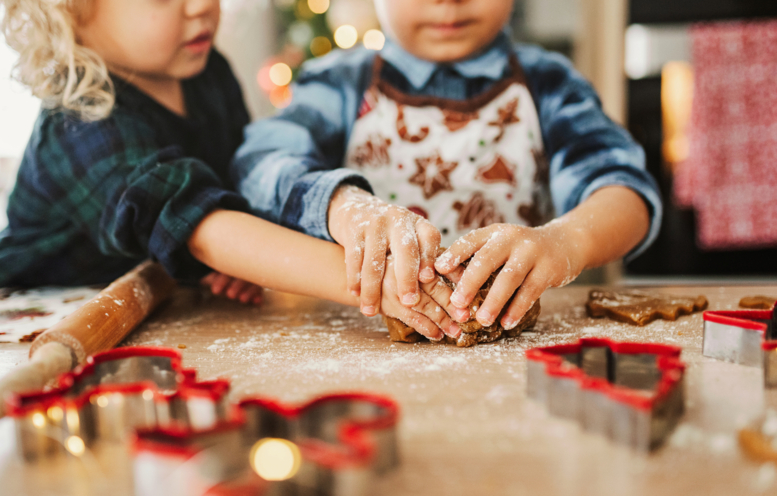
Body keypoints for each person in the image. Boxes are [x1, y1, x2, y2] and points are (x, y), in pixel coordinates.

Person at [0, 0, 462, 333]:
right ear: (70, 10)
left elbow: (236, 189)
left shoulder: (207, 72)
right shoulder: (79, 115)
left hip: (151, 308)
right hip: (9, 319)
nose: (201, 8)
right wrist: (377, 285)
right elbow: (202, 228)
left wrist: (237, 262)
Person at [232, 0, 661, 336]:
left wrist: (564, 242)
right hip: (366, 349)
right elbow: (261, 165)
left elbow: (624, 192)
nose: (448, 1)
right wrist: (343, 206)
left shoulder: (549, 84)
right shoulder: (338, 83)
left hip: (516, 355)